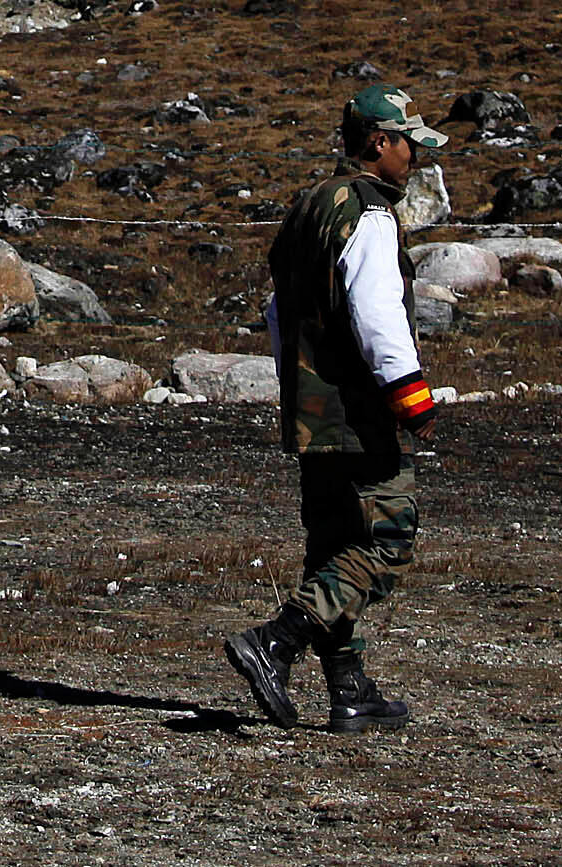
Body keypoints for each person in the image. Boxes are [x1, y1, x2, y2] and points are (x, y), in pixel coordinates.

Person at [221, 82, 442, 731]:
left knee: (333, 543)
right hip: (358, 408)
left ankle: (348, 687)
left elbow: (276, 311)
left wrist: (299, 386)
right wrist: (412, 394)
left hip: (311, 408)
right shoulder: (368, 211)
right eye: (409, 144)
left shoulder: (308, 207)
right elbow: (376, 312)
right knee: (387, 538)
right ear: (380, 142)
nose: (414, 158)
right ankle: (277, 640)